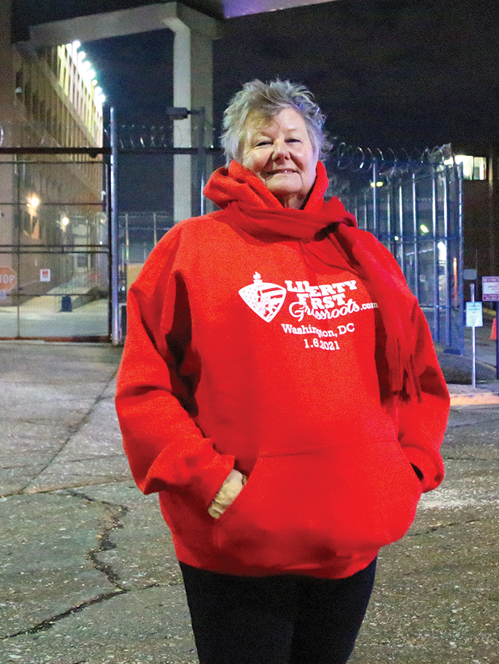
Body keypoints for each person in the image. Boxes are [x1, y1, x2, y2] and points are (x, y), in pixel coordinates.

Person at [115, 79, 450, 664]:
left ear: (317, 152)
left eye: (294, 138)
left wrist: (410, 467)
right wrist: (210, 483)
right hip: (240, 540)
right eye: (261, 141)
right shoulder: (190, 250)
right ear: (237, 159)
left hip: (351, 534)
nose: (281, 152)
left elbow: (418, 377)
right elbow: (146, 389)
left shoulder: (364, 255)